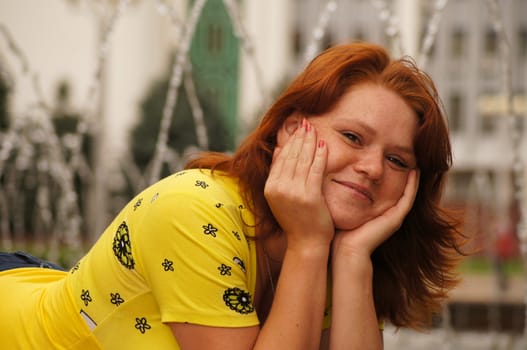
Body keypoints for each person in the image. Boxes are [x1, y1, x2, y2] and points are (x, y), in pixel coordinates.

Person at [0, 41, 463, 349]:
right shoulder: (193, 210)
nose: (372, 168)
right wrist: (307, 244)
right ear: (291, 131)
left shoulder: (335, 251)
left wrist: (353, 259)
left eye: (398, 161)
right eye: (353, 137)